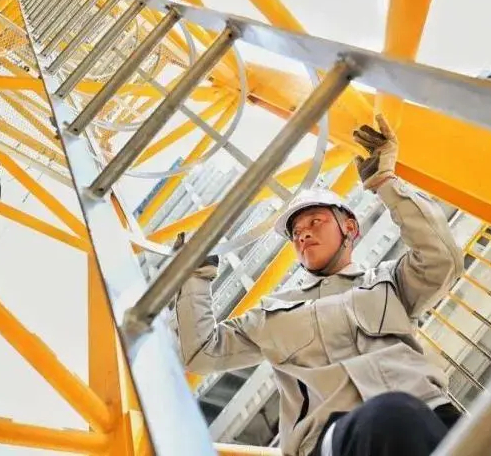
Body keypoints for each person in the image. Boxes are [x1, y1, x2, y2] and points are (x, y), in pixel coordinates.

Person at [171, 115, 464, 456]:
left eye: (315, 221)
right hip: (331, 439)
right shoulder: (271, 315)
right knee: (391, 416)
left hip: (430, 413)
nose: (303, 234)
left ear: (350, 228)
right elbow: (201, 352)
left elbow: (442, 259)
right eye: (296, 233)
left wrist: (385, 181)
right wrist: (194, 275)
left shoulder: (390, 283)